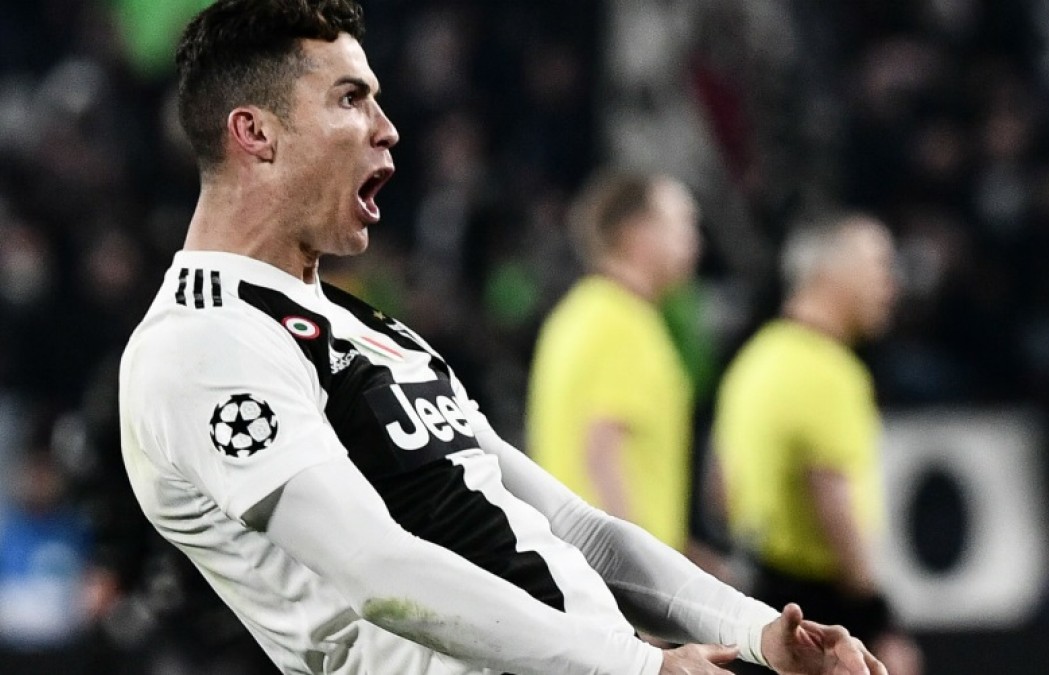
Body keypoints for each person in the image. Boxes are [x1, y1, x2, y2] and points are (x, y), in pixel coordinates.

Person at [118, 2, 886, 674]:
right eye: (350, 99)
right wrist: (639, 664)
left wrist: (758, 632)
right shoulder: (202, 343)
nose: (387, 129)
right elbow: (377, 570)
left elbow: (578, 530)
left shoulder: (368, 329)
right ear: (255, 133)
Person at [712, 214, 921, 675]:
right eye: (879, 266)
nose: (891, 285)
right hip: (821, 620)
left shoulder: (752, 361)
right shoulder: (828, 372)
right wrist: (879, 624)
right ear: (831, 273)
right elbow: (834, 504)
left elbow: (721, 490)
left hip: (760, 609)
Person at [526, 171, 714, 566]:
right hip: (611, 578)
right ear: (636, 233)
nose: (695, 239)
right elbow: (602, 455)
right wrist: (642, 577)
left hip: (576, 562)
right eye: (682, 223)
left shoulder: (577, 313)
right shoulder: (622, 326)